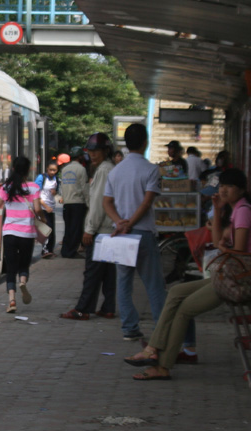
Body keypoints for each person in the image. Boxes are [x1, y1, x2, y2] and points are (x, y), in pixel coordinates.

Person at [123, 168, 251, 380]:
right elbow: (220, 243)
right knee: (176, 292)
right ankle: (153, 348)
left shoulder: (244, 211)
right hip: (232, 273)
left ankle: (163, 366)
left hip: (242, 279)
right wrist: (218, 213)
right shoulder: (236, 209)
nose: (224, 190)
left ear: (241, 190)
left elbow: (238, 251)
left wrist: (224, 247)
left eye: (230, 187)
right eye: (222, 186)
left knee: (184, 310)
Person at [103, 124, 167, 341]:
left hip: (120, 235)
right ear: (145, 142)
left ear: (126, 144)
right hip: (144, 234)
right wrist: (130, 223)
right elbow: (147, 202)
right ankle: (160, 329)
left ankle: (129, 328)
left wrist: (120, 223)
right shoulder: (151, 170)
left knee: (124, 283)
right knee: (154, 285)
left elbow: (107, 202)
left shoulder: (115, 171)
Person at [0, 157, 45, 313]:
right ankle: (23, 281)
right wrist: (43, 218)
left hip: (10, 233)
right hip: (27, 233)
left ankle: (12, 300)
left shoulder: (6, 187)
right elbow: (38, 209)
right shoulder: (34, 187)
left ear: (13, 169)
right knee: (24, 264)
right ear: (28, 170)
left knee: (11, 268)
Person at [60, 133, 117, 320]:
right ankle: (108, 307)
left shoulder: (103, 170)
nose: (93, 155)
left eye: (96, 151)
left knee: (92, 272)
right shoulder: (106, 168)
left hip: (100, 229)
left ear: (105, 151)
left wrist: (89, 229)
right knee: (107, 272)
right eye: (90, 151)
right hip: (108, 228)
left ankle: (83, 308)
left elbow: (100, 202)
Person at [60, 146, 89, 258]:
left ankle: (65, 251)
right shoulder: (81, 169)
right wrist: (89, 202)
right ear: (80, 156)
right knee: (76, 229)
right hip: (78, 203)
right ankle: (71, 252)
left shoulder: (65, 169)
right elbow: (84, 188)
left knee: (68, 229)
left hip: (67, 203)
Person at [35, 161, 61, 258]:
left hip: (51, 207)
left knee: (52, 230)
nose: (52, 172)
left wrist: (57, 196)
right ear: (47, 169)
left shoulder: (56, 179)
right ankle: (45, 250)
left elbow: (56, 194)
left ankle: (50, 250)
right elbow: (36, 195)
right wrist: (45, 206)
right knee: (47, 229)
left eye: (54, 170)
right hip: (43, 207)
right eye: (50, 170)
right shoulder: (41, 178)